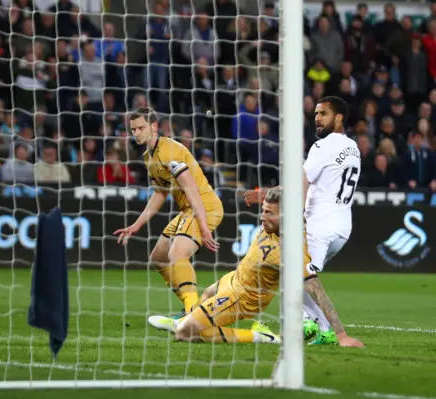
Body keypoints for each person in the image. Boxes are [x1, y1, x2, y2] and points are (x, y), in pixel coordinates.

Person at [148, 188, 364, 348]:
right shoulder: (274, 221)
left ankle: (263, 337)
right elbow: (282, 192)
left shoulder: (291, 250)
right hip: (235, 278)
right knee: (206, 293)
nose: (263, 217)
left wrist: (342, 335)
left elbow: (316, 289)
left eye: (269, 213)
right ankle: (187, 319)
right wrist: (262, 196)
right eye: (263, 210)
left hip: (243, 297)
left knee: (186, 334)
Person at [244, 96, 363, 346]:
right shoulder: (353, 147)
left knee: (297, 277)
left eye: (324, 114)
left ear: (339, 117)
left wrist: (274, 203)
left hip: (319, 224)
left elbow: (302, 183)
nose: (317, 118)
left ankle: (322, 328)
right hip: (342, 228)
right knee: (299, 276)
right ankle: (314, 323)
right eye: (316, 114)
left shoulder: (322, 147)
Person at [114, 108, 223, 316]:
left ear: (154, 127)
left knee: (177, 254)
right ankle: (193, 305)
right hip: (187, 210)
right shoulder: (149, 156)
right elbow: (160, 194)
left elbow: (192, 191)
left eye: (140, 128)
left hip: (204, 206)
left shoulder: (170, 152)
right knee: (159, 257)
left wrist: (204, 228)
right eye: (133, 129)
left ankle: (192, 314)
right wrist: (137, 225)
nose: (136, 133)